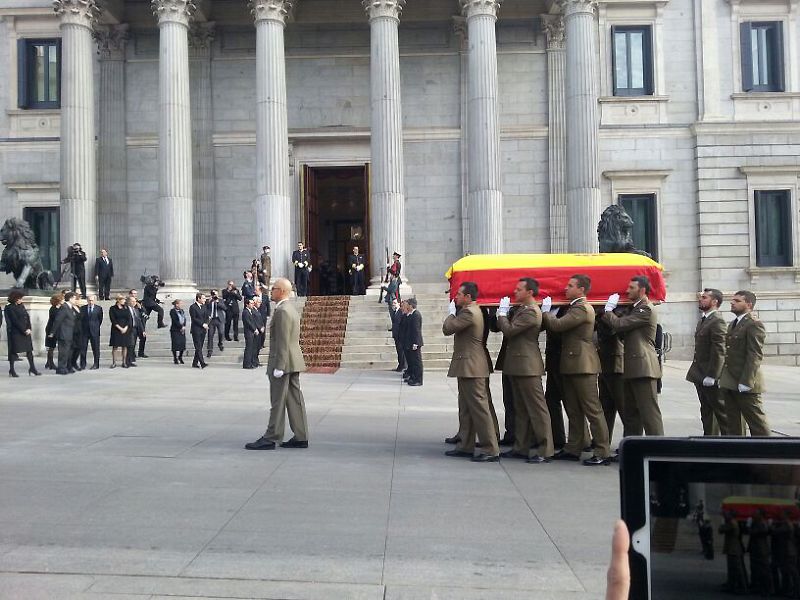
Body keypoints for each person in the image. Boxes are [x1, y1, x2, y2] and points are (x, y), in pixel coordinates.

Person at [542, 275, 611, 466]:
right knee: (573, 409)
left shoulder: (581, 308)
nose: (566, 288)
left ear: (581, 289)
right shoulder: (575, 307)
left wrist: (547, 313)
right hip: (572, 364)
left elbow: (557, 325)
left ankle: (602, 451)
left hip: (583, 364)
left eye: (570, 285)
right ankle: (573, 447)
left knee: (592, 409)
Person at [245, 278, 309, 450]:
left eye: (273, 289)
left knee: (278, 401)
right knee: (294, 399)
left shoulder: (282, 311)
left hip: (284, 362)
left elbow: (282, 341)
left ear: (281, 290)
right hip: (293, 360)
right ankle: (301, 435)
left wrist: (279, 366)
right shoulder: (290, 309)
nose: (270, 292)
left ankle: (272, 436)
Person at [495, 278, 552, 463]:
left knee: (537, 409)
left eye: (519, 289)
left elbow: (510, 331)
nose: (515, 291)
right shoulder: (522, 310)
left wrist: (502, 314)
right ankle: (521, 446)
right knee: (520, 409)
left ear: (529, 292)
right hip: (517, 365)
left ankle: (545, 449)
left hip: (528, 366)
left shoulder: (532, 312)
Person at [442, 282, 499, 462]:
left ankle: (490, 449)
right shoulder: (473, 311)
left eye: (459, 294)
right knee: (466, 408)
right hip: (468, 365)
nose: (456, 297)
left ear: (468, 297)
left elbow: (447, 329)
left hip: (472, 366)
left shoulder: (469, 312)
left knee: (479, 409)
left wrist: (451, 312)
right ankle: (465, 445)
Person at [603, 276, 664, 436]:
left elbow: (620, 324)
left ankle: (658, 448)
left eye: (631, 288)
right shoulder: (634, 309)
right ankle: (632, 446)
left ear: (642, 290)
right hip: (632, 366)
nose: (627, 290)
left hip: (644, 367)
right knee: (631, 414)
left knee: (649, 412)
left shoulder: (646, 309)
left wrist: (608, 310)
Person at [719, 290, 770, 437]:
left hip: (745, 380)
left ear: (748, 304)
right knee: (733, 422)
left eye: (737, 301)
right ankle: (738, 451)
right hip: (731, 380)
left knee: (756, 422)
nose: (732, 302)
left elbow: (754, 354)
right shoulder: (734, 323)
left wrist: (747, 381)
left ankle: (768, 451)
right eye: (732, 300)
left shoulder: (754, 324)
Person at [686, 288, 728, 435]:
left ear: (714, 301)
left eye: (704, 297)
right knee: (706, 410)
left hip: (710, 374)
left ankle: (730, 442)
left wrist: (713, 375)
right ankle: (710, 439)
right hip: (700, 373)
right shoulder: (704, 320)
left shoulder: (717, 321)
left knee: (721, 412)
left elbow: (719, 350)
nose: (700, 299)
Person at [596, 306, 630, 443]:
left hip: (617, 364)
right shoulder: (602, 311)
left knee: (624, 408)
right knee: (606, 407)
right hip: (604, 363)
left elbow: (615, 329)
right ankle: (603, 441)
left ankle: (629, 442)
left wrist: (606, 311)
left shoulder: (622, 310)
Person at [5, 291, 41, 377]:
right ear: (15, 299)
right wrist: (24, 330)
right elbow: (14, 320)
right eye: (19, 299)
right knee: (13, 351)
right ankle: (12, 370)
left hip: (26, 331)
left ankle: (32, 368)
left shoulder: (22, 306)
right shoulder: (9, 307)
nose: (21, 300)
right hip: (16, 332)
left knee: (29, 351)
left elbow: (27, 317)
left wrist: (29, 328)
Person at [52, 291, 78, 375]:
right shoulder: (64, 307)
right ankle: (61, 368)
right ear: (70, 298)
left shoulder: (70, 307)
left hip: (69, 333)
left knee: (68, 352)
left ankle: (66, 366)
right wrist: (52, 332)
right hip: (64, 333)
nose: (75, 300)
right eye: (74, 298)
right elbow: (58, 320)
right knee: (63, 352)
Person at [403, 297, 423, 386]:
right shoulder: (412, 314)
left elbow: (416, 330)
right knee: (412, 361)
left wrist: (416, 342)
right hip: (411, 341)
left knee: (417, 362)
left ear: (411, 306)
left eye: (407, 305)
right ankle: (413, 377)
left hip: (415, 341)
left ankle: (418, 379)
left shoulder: (416, 315)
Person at [108, 294, 132, 368]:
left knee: (124, 346)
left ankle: (124, 362)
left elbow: (129, 318)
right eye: (123, 299)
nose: (124, 301)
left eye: (124, 299)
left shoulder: (126, 308)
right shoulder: (112, 308)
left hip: (125, 329)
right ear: (118, 300)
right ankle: (114, 362)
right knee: (115, 346)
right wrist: (120, 328)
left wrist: (125, 328)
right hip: (116, 329)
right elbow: (113, 320)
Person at [80, 295, 102, 370]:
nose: (90, 302)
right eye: (89, 300)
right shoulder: (82, 308)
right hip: (84, 331)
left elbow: (100, 319)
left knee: (95, 348)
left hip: (94, 331)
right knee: (83, 348)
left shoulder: (98, 308)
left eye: (92, 300)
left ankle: (96, 364)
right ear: (87, 300)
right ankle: (83, 364)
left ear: (95, 300)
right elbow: (80, 319)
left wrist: (95, 327)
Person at [44, 293, 63, 370]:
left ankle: (48, 362)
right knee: (51, 346)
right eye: (62, 299)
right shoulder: (53, 309)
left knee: (51, 347)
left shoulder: (58, 308)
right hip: (51, 329)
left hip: (55, 329)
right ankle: (50, 363)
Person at [189, 292, 209, 369]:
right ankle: (202, 363)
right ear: (198, 298)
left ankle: (194, 363)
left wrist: (206, 323)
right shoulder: (193, 307)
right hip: (196, 329)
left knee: (199, 346)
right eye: (203, 298)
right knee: (198, 346)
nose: (205, 300)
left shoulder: (204, 306)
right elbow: (194, 318)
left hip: (203, 329)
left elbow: (207, 316)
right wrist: (202, 324)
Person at [205, 289, 225, 358]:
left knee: (221, 332)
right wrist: (209, 301)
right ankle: (210, 350)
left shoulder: (221, 300)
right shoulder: (209, 301)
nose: (215, 295)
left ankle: (220, 343)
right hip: (211, 320)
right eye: (213, 294)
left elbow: (225, 308)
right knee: (210, 335)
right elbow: (205, 309)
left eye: (216, 294)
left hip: (219, 319)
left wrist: (218, 302)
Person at [126, 295, 144, 368]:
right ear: (129, 302)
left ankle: (130, 360)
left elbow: (139, 321)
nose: (134, 303)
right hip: (128, 329)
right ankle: (127, 361)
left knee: (133, 345)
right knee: (129, 345)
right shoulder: (126, 309)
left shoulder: (136, 309)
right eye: (132, 301)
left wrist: (142, 330)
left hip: (135, 330)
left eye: (135, 301)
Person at [390, 298, 406, 373]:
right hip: (396, 336)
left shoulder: (401, 312)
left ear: (399, 304)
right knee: (399, 352)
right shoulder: (395, 312)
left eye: (395, 303)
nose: (393, 304)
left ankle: (402, 366)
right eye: (393, 303)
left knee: (401, 352)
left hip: (400, 336)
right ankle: (400, 365)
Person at [242, 297, 259, 369]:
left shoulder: (250, 311)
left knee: (251, 348)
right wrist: (254, 329)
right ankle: (247, 364)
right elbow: (248, 322)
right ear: (247, 304)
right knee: (249, 348)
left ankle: (250, 362)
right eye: (251, 303)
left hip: (251, 332)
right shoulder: (245, 312)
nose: (252, 305)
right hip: (249, 332)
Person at [169, 299, 187, 365]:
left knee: (182, 344)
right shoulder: (172, 311)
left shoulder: (182, 311)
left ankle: (180, 357)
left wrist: (184, 326)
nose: (182, 305)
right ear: (176, 304)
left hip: (182, 330)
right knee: (175, 344)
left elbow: (184, 319)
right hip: (175, 330)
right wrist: (181, 327)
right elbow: (175, 320)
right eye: (180, 303)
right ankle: (175, 358)